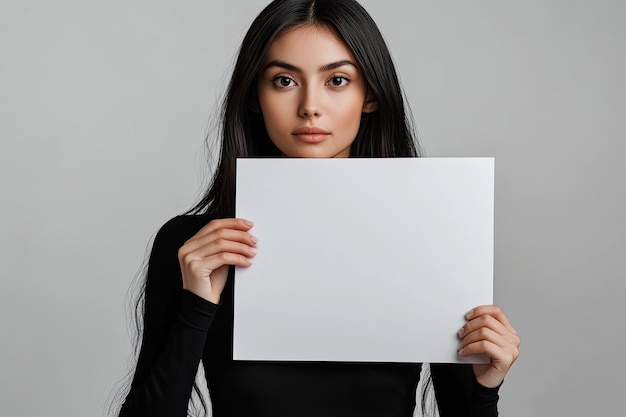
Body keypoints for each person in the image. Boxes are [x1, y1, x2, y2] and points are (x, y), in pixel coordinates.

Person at [117, 0, 520, 416]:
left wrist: (485, 388)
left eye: (338, 80)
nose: (310, 105)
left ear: (371, 96)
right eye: (285, 80)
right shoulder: (193, 247)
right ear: (255, 95)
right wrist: (197, 307)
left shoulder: (430, 235)